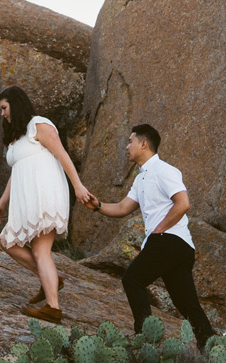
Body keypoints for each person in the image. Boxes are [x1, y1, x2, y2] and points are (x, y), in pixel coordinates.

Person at [80, 123, 216, 347]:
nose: (126, 146)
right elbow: (123, 208)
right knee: (186, 304)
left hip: (169, 241)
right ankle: (209, 345)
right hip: (177, 247)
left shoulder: (164, 170)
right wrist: (97, 206)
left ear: (143, 144)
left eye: (130, 141)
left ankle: (144, 340)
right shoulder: (141, 178)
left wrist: (158, 231)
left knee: (132, 279)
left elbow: (183, 203)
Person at [0, 85, 93, 323]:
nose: (2, 113)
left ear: (15, 103)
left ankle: (53, 308)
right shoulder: (16, 139)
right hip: (26, 197)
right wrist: (1, 204)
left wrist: (78, 186)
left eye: (4, 108)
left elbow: (62, 154)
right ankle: (50, 280)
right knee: (6, 241)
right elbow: (17, 172)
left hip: (45, 192)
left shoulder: (38, 124)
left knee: (39, 250)